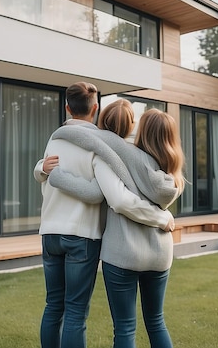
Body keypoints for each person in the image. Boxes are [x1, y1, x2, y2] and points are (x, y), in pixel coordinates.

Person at [34, 85, 172, 348]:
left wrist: (44, 170)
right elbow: (103, 194)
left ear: (66, 108)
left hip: (50, 232)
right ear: (95, 108)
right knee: (75, 311)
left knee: (53, 305)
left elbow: (43, 170)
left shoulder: (56, 138)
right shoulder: (97, 144)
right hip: (81, 236)